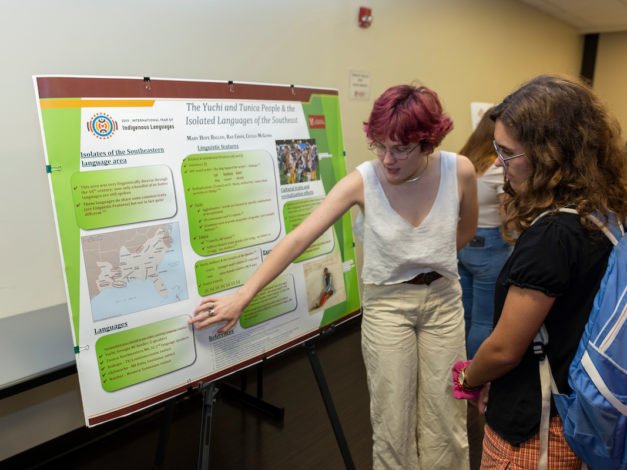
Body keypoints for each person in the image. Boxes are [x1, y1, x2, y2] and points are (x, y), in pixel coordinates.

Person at [191, 84, 478, 469]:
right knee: (392, 422)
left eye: (401, 149)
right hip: (387, 305)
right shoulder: (364, 180)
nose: (387, 159)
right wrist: (243, 296)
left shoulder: (459, 170)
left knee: (447, 419)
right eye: (379, 145)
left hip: (443, 301)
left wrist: (427, 258)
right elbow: (299, 238)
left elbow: (464, 232)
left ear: (427, 142)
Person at [452, 75, 627, 469]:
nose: (499, 164)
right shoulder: (603, 214)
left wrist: (468, 378)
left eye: (506, 152)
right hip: (581, 415)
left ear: (549, 154)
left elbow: (504, 350)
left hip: (535, 428)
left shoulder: (552, 235)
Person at [458, 109, 512, 359]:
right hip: (490, 245)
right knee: (485, 319)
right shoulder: (498, 166)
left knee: (465, 313)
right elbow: (506, 213)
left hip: (463, 241)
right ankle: (476, 374)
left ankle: (459, 368)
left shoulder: (464, 160)